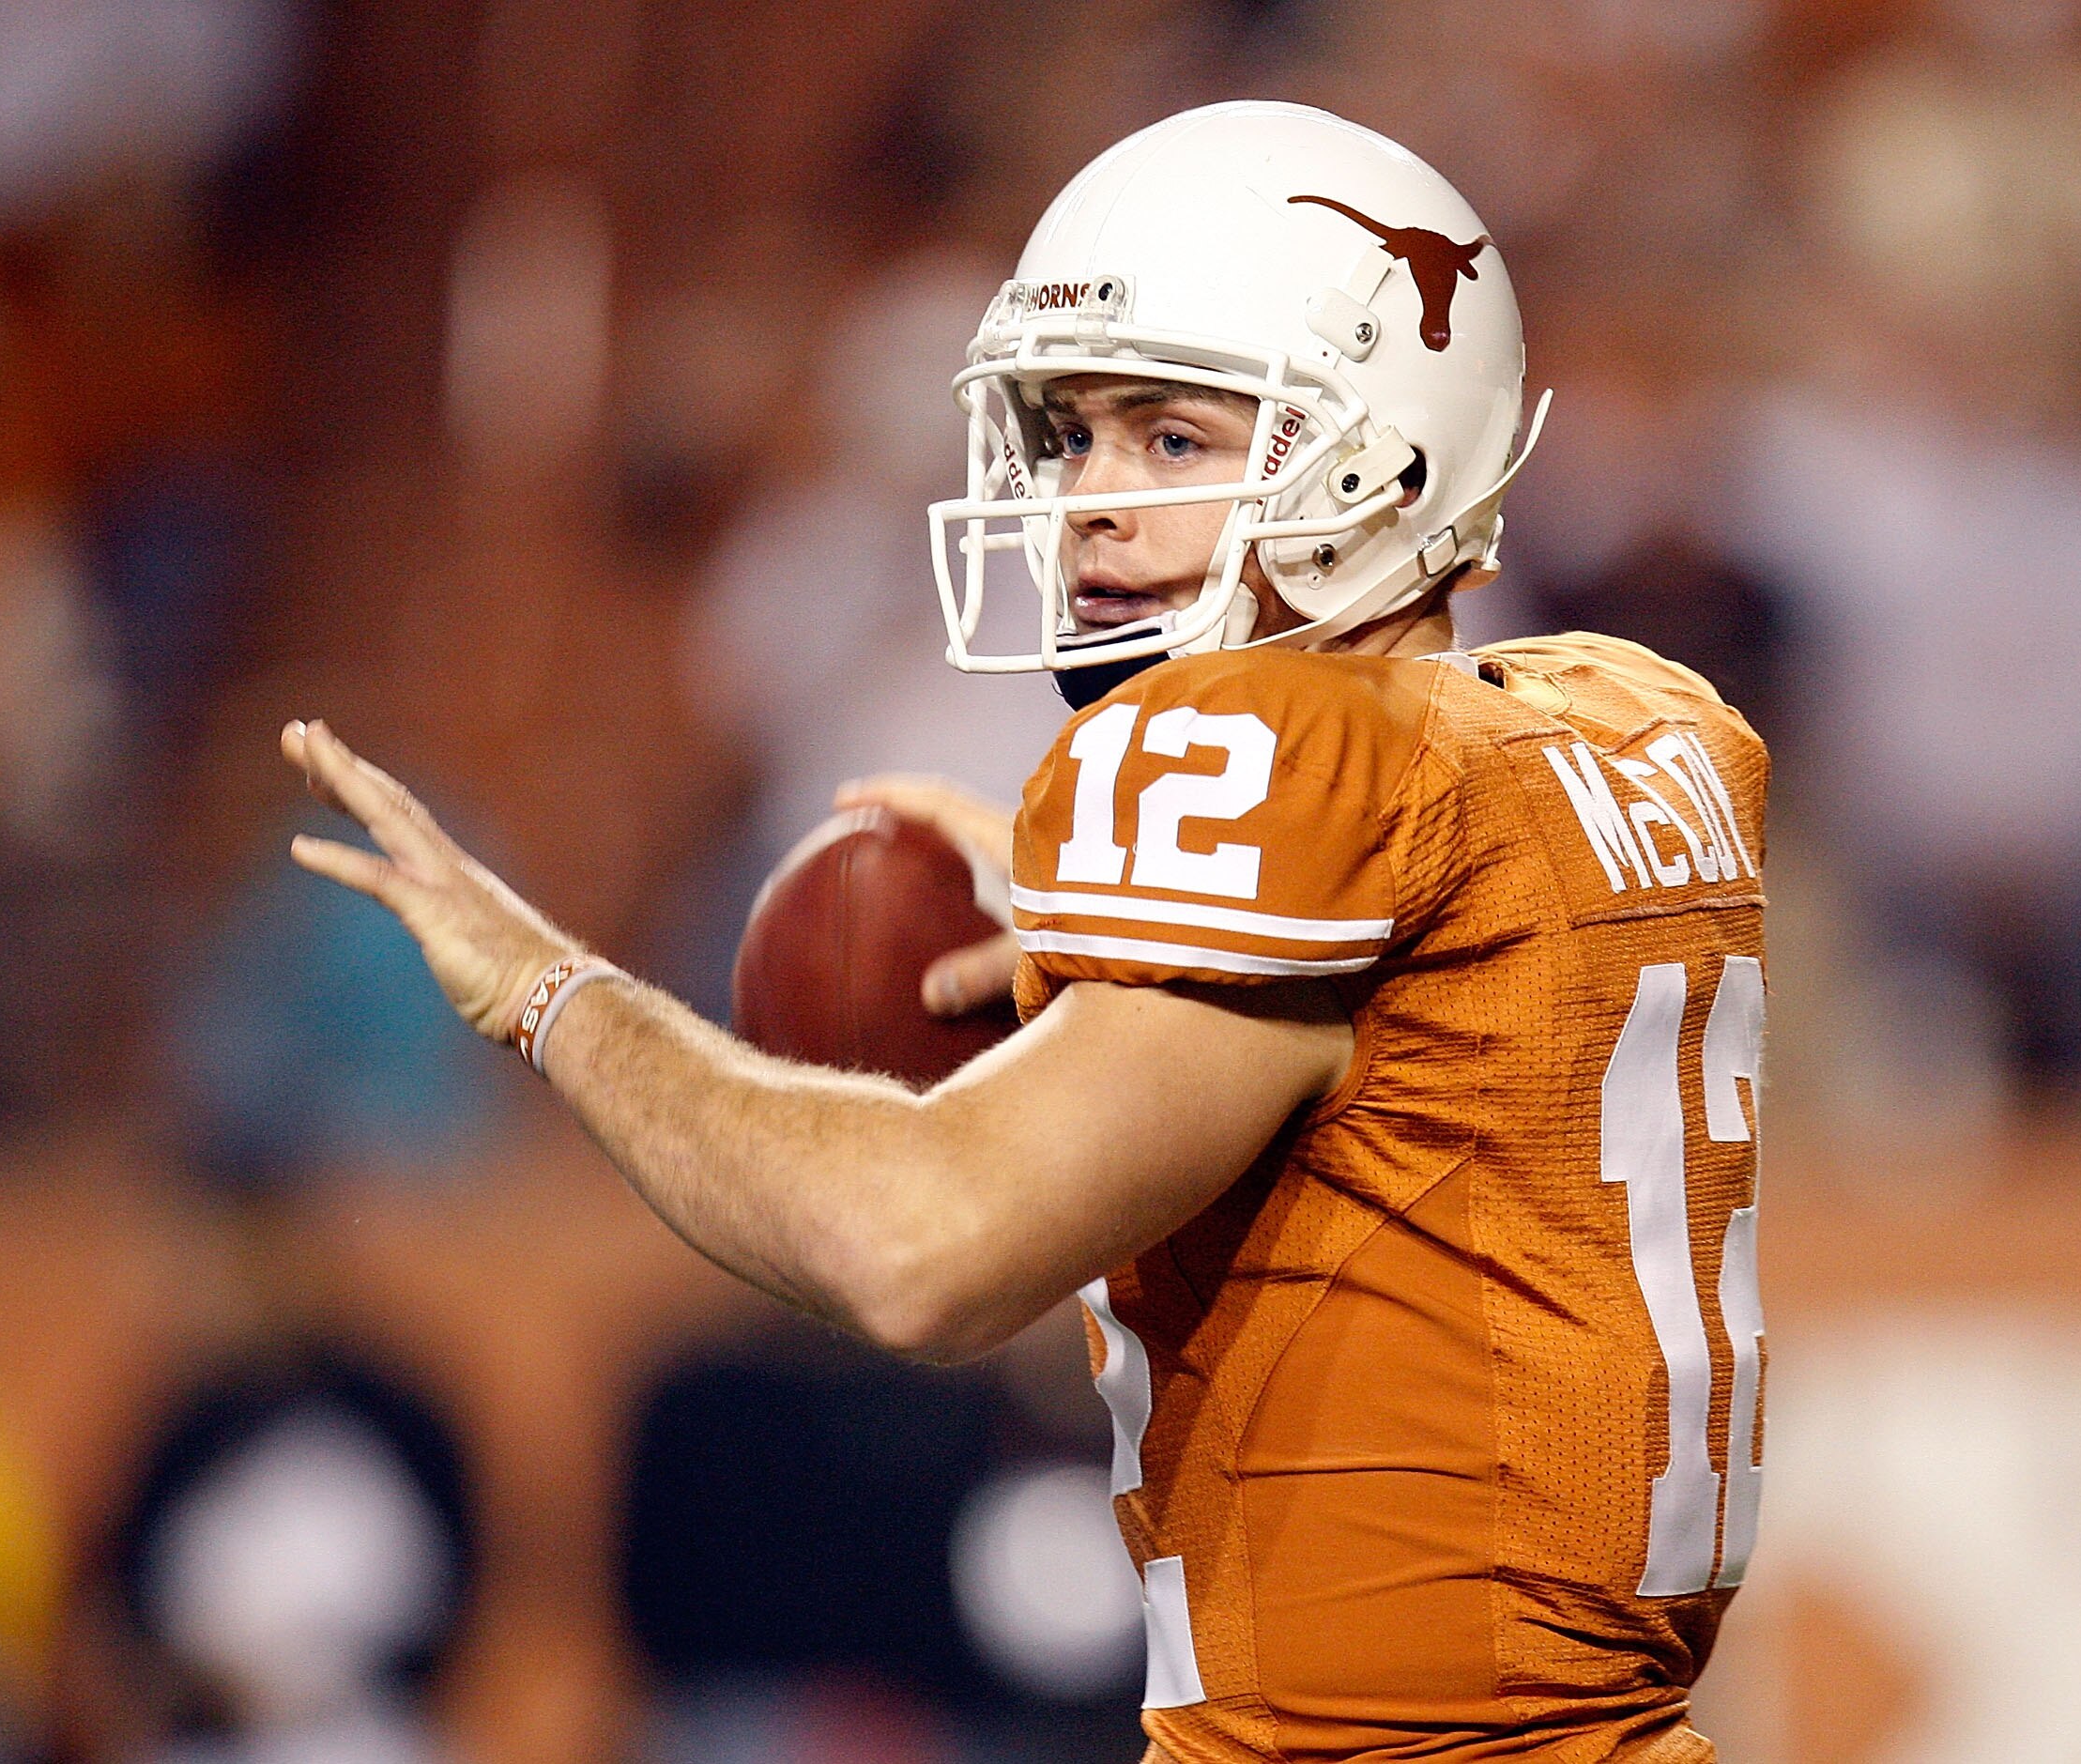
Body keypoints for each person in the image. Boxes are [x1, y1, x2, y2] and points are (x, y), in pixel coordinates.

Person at [283, 101, 1770, 1761]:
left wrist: (555, 995)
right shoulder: (1629, 725)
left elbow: (919, 1251)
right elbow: (1425, 987)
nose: (1090, 506)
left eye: (1174, 440)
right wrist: (1101, 911)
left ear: (1385, 459)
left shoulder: (1269, 762)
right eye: (1067, 439)